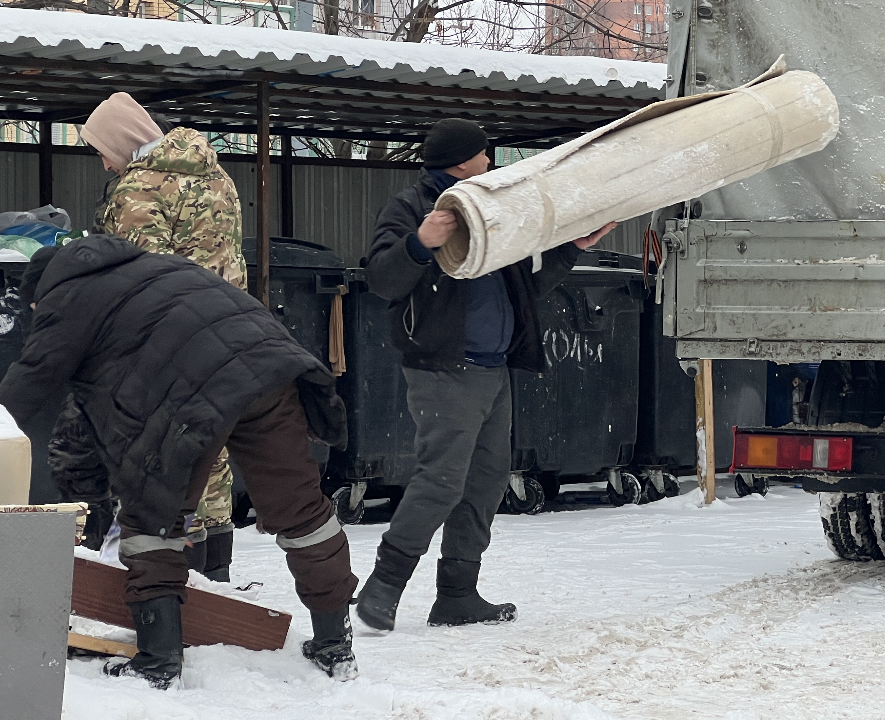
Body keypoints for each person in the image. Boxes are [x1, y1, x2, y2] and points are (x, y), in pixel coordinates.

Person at [0, 237, 359, 687]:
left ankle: (158, 659)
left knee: (152, 519)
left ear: (37, 295)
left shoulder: (65, 296)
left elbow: (27, 383)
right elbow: (85, 409)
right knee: (302, 511)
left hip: (189, 398)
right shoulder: (160, 265)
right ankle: (334, 646)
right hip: (270, 370)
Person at [357, 118, 616, 631]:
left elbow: (526, 291)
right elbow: (383, 280)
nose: (491, 161)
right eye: (484, 153)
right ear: (461, 159)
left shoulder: (492, 207)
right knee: (441, 481)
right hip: (442, 370)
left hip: (494, 370)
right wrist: (420, 243)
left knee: (484, 484)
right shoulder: (413, 208)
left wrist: (573, 248)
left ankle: (456, 594)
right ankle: (383, 587)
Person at [58, 93, 245, 580]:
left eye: (101, 148)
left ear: (123, 141)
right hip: (232, 332)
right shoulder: (215, 175)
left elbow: (139, 279)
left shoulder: (138, 189)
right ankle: (215, 575)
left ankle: (164, 583)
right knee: (213, 447)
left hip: (169, 341)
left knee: (160, 452)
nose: (101, 160)